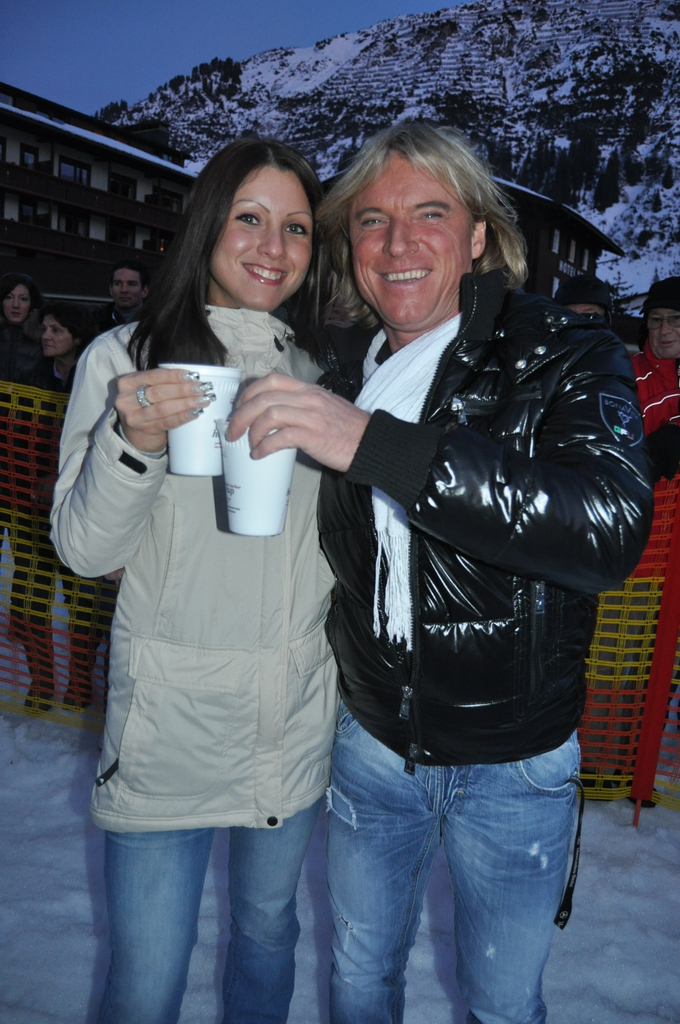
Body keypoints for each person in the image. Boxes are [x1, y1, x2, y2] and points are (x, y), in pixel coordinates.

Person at [228, 122, 653, 1024]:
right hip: (372, 743)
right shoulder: (339, 367)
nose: (397, 243)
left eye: (429, 213)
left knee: (501, 1004)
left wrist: (379, 448)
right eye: (371, 220)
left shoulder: (566, 351)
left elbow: (608, 528)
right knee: (359, 978)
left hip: (515, 762)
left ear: (478, 235)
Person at [50, 138, 336, 1024]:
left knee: (267, 938)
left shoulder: (323, 371)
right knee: (145, 984)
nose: (273, 247)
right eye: (249, 218)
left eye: (296, 227)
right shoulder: (124, 358)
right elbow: (84, 550)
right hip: (168, 725)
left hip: (290, 722)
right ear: (208, 225)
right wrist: (133, 443)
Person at [14, 302, 101, 713]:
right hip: (31, 506)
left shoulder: (96, 381)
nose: (47, 336)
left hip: (79, 507)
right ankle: (41, 681)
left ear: (77, 336)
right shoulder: (30, 377)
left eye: (57, 330)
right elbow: (16, 439)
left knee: (82, 602)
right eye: (45, 328)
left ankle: (80, 685)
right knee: (31, 597)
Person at [632, 277, 680, 481]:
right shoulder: (625, 373)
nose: (665, 330)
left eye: (676, 318)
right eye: (656, 320)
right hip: (645, 497)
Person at [0, 272, 43, 383]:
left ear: (31, 303)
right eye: (9, 297)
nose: (15, 305)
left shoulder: (44, 339)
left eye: (23, 299)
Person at [97, 258, 149, 333]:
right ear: (111, 289)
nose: (124, 290)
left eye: (131, 284)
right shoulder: (94, 325)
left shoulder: (158, 324)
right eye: (118, 284)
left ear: (144, 291)